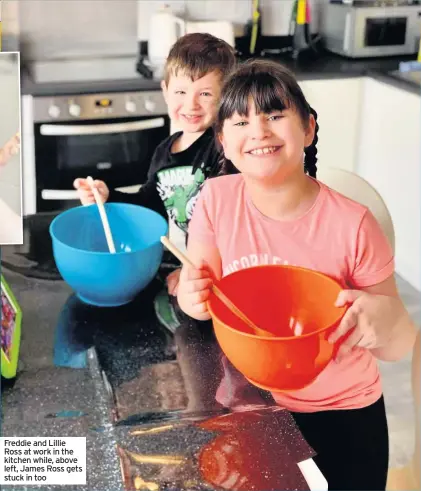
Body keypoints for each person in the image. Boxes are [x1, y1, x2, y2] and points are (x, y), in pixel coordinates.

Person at [177, 59, 417, 491]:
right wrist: (190, 299)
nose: (259, 131)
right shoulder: (214, 200)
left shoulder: (354, 225)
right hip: (252, 407)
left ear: (308, 128)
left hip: (346, 414)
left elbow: (400, 343)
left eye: (274, 114)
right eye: (241, 121)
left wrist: (377, 318)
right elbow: (201, 296)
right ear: (223, 143)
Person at [73, 33, 236, 329]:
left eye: (206, 94)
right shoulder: (165, 151)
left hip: (228, 279)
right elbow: (152, 204)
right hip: (195, 275)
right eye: (181, 92)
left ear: (225, 97)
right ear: (165, 91)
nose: (191, 104)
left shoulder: (225, 147)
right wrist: (108, 197)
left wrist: (192, 274)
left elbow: (230, 227)